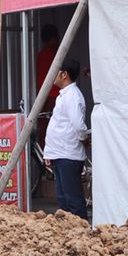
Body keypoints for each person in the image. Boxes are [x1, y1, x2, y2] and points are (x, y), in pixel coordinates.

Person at [43, 59, 89, 220]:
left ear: (64, 74)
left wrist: (84, 137)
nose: (52, 75)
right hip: (61, 154)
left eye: (55, 71)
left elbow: (78, 125)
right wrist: (49, 153)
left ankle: (81, 234)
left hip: (68, 154)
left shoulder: (72, 96)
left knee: (72, 199)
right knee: (63, 199)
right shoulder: (64, 96)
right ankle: (68, 234)